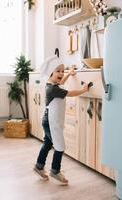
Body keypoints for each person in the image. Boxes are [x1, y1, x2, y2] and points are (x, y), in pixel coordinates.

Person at [33, 55, 89, 186]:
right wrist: (83, 90)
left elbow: (61, 82)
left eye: (62, 70)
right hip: (51, 123)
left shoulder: (52, 85)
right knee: (60, 147)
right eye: (58, 71)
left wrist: (69, 74)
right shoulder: (53, 89)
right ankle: (55, 170)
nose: (61, 73)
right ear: (50, 73)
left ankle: (39, 167)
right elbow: (70, 93)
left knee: (47, 144)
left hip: (49, 121)